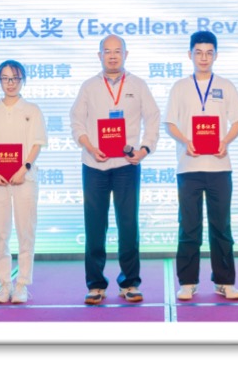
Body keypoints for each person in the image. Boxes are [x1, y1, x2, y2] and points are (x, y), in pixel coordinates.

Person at [69, 34, 160, 304]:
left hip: (126, 165)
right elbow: (76, 121)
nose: (112, 56)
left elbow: (153, 118)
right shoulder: (89, 86)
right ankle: (96, 285)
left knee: (128, 225)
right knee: (95, 226)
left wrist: (145, 149)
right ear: (99, 55)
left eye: (117, 51)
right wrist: (89, 147)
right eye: (107, 51)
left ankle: (129, 282)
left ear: (125, 54)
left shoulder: (138, 85)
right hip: (94, 165)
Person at [164, 31, 238, 301]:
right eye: (198, 52)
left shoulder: (226, 85)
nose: (203, 58)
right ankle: (188, 281)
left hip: (220, 167)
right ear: (189, 54)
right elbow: (170, 123)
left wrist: (226, 141)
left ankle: (225, 281)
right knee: (189, 226)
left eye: (209, 53)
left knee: (221, 226)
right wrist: (185, 141)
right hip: (188, 167)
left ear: (216, 55)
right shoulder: (179, 87)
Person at [0, 60, 47, 304]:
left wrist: (24, 169)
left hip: (24, 179)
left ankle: (22, 284)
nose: (11, 83)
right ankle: (4, 284)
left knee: (26, 232)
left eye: (15, 78)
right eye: (5, 78)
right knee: (0, 233)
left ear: (22, 80)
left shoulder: (32, 110)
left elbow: (37, 143)